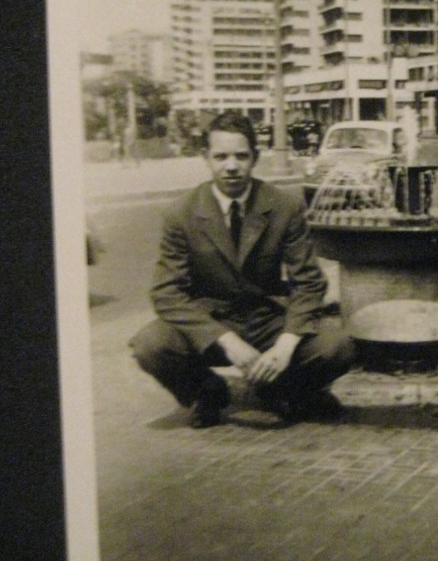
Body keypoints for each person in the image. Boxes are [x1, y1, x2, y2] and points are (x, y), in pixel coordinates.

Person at [129, 111, 355, 428]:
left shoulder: (283, 206)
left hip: (266, 318)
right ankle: (206, 391)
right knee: (150, 345)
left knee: (337, 346)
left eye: (241, 156)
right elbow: (167, 293)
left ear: (255, 157)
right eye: (221, 156)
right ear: (206, 158)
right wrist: (225, 340)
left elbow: (309, 282)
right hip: (209, 320)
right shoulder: (181, 213)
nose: (232, 166)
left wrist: (286, 344)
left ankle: (285, 388)